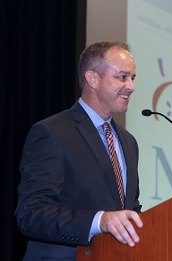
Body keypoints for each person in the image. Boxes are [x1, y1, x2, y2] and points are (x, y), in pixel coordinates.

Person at [15, 41, 143, 260]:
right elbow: (31, 214)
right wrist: (99, 221)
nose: (131, 86)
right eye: (122, 77)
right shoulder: (52, 132)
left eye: (132, 78)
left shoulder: (128, 142)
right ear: (92, 79)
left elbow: (129, 208)